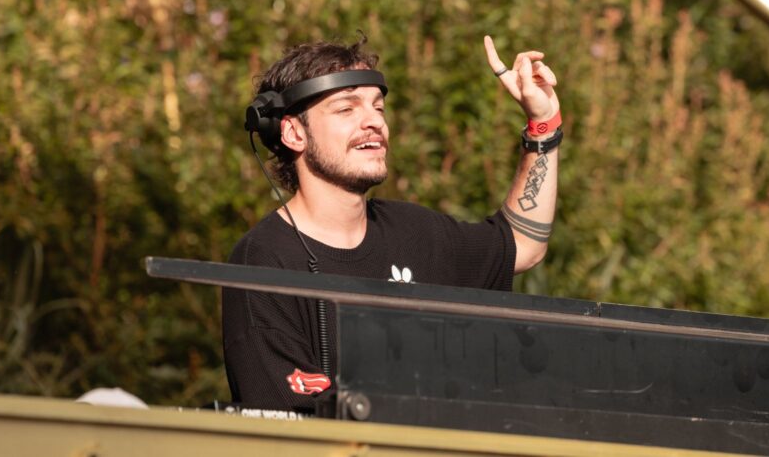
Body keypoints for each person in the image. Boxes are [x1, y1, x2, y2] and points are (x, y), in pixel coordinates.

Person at [222, 35, 562, 410]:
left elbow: (523, 244)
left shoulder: (414, 231)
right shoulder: (264, 261)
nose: (374, 122)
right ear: (293, 133)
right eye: (346, 109)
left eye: (378, 108)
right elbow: (290, 420)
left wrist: (543, 124)